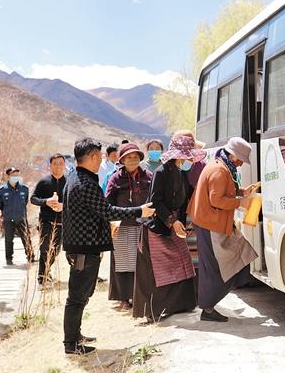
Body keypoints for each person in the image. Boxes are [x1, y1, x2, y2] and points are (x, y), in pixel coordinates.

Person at [62, 138, 155, 355]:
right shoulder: (86, 183)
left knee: (80, 295)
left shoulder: (75, 177)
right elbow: (108, 211)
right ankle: (71, 344)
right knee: (77, 298)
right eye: (99, 156)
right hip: (84, 249)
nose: (101, 160)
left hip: (82, 246)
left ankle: (75, 336)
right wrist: (139, 210)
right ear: (93, 156)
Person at [133, 135, 203, 322]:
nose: (190, 160)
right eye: (188, 156)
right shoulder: (161, 172)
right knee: (158, 269)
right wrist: (172, 221)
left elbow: (187, 197)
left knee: (182, 262)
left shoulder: (181, 173)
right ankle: (154, 310)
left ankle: (180, 304)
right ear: (179, 156)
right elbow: (155, 201)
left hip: (174, 224)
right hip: (158, 226)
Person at [193, 137, 258, 323]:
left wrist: (241, 192)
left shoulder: (221, 166)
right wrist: (240, 202)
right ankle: (207, 309)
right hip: (210, 224)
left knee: (229, 259)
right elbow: (216, 200)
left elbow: (223, 192)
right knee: (214, 269)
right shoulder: (219, 170)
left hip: (211, 222)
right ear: (234, 156)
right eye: (240, 160)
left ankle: (208, 306)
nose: (240, 164)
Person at [105, 143, 152, 310]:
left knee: (140, 261)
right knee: (122, 262)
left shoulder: (148, 176)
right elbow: (108, 203)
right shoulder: (115, 179)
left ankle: (139, 295)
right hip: (120, 225)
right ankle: (123, 297)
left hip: (143, 224)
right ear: (122, 160)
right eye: (128, 157)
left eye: (135, 157)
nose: (132, 160)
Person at [30, 154, 67, 285]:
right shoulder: (43, 182)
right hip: (46, 222)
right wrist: (46, 202)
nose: (58, 166)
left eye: (60, 163)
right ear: (50, 165)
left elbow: (74, 201)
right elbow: (33, 199)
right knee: (45, 249)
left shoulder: (69, 183)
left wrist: (63, 206)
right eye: (55, 163)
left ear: (64, 165)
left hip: (62, 223)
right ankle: (42, 277)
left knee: (55, 250)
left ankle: (47, 270)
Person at [0, 167, 34, 266]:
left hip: (21, 218)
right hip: (8, 220)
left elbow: (25, 202)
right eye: (13, 175)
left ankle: (31, 257)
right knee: (8, 240)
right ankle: (9, 259)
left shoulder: (24, 189)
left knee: (26, 238)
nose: (15, 177)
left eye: (17, 175)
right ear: (8, 176)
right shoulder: (1, 191)